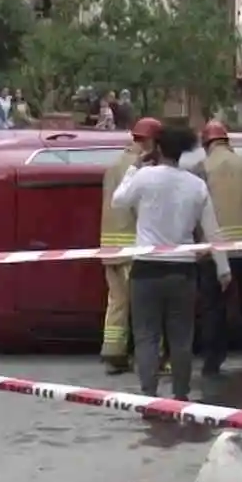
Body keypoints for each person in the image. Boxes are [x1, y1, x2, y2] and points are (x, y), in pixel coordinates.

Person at [111, 124, 230, 400]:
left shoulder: (145, 177)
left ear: (159, 148)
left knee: (146, 336)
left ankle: (149, 394)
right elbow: (213, 231)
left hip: (147, 268)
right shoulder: (196, 185)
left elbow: (118, 201)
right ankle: (180, 395)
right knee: (181, 338)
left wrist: (134, 168)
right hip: (183, 271)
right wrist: (223, 268)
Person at [196, 120, 242, 376]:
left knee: (214, 307)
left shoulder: (202, 167)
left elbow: (198, 211)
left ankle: (213, 361)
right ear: (227, 141)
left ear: (206, 144)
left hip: (217, 250)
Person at [99, 117, 162, 374]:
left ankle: (113, 351)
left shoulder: (113, 165)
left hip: (108, 246)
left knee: (117, 301)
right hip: (132, 247)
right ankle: (150, 357)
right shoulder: (143, 167)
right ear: (151, 141)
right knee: (143, 303)